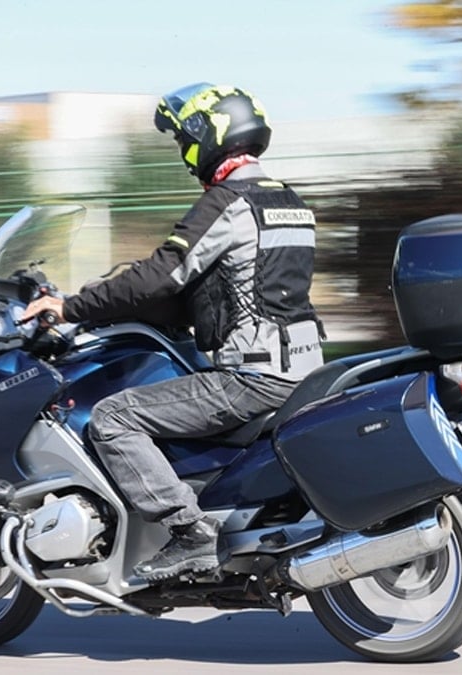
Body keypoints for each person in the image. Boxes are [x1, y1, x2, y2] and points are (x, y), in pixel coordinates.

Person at [22, 83, 324, 581]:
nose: (184, 149)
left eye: (185, 137)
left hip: (252, 376)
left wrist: (70, 307)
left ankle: (188, 531)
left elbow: (160, 275)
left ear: (210, 135)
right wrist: (117, 305)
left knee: (113, 417)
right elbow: (227, 286)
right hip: (304, 368)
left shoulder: (227, 202)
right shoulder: (288, 201)